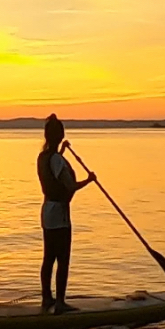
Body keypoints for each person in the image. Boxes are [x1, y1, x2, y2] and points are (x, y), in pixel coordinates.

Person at [37, 114, 94, 313]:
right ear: (60, 135)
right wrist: (89, 180)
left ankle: (47, 298)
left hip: (46, 212)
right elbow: (69, 185)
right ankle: (60, 302)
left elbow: (55, 165)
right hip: (59, 214)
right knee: (62, 258)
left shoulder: (44, 156)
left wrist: (61, 151)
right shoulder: (56, 159)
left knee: (48, 257)